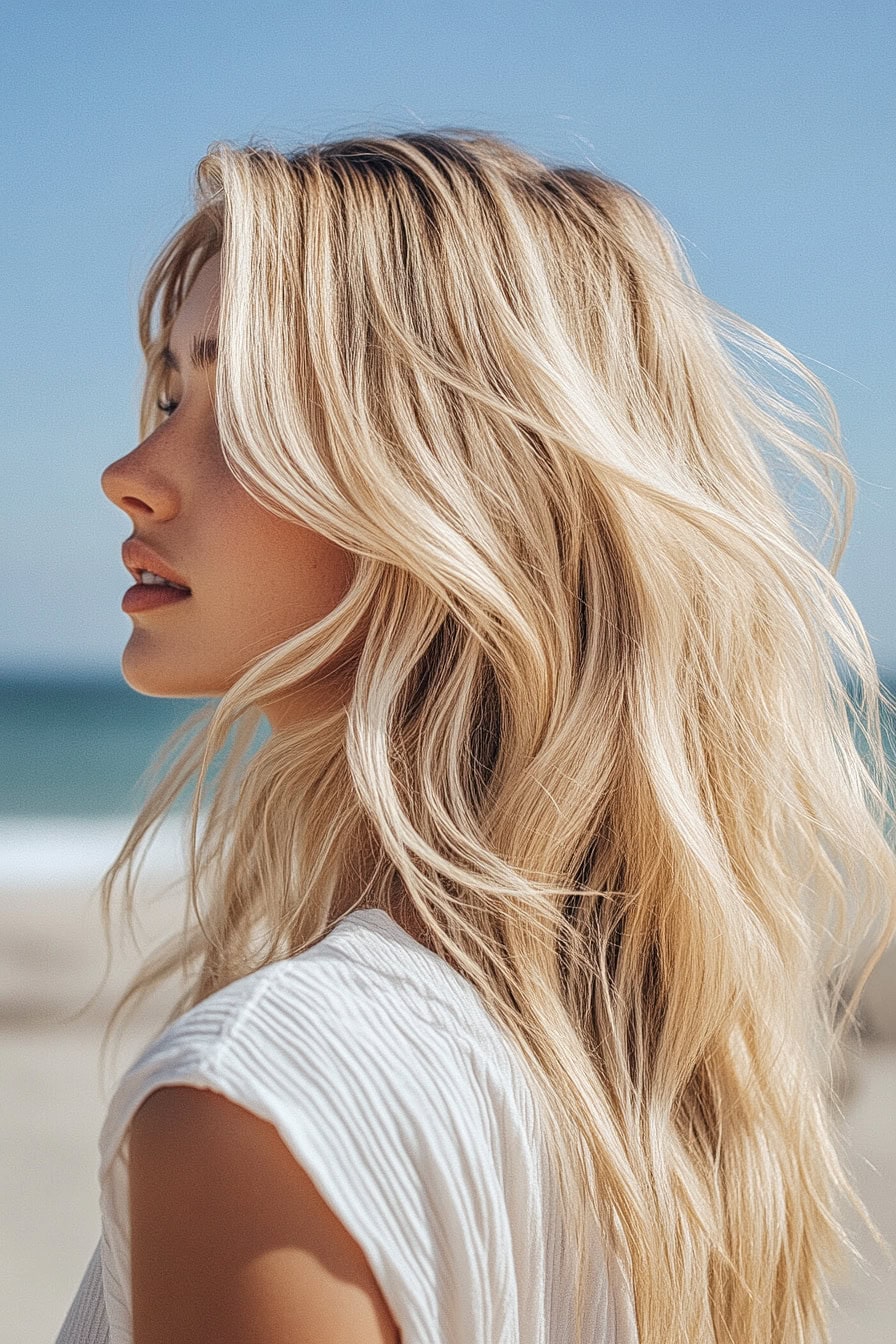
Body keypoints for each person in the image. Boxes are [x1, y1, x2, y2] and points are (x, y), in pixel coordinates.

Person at [55, 129, 895, 1344]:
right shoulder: (657, 1094)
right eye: (172, 395)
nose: (129, 474)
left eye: (244, 409)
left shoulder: (257, 1103)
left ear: (448, 480)